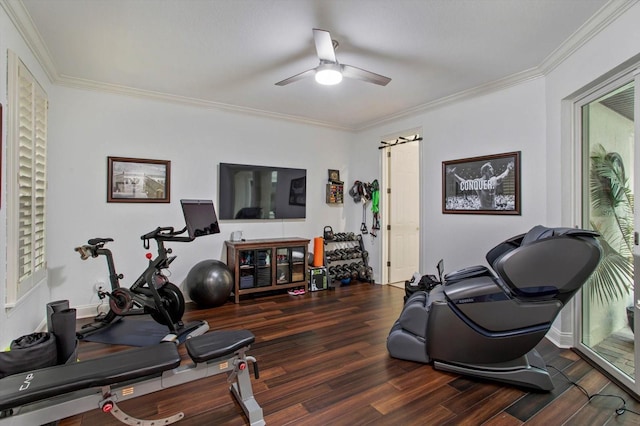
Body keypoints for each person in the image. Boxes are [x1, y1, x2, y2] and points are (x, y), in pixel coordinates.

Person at [448, 161, 514, 210]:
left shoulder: (493, 180)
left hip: (494, 209)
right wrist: (454, 175)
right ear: (485, 171)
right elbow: (464, 182)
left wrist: (508, 169)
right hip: (483, 210)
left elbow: (502, 177)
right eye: (490, 168)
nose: (493, 169)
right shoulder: (478, 182)